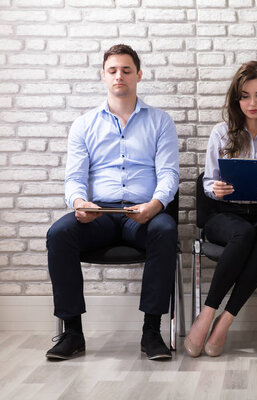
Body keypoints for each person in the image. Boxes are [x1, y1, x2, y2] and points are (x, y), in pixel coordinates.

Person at [45, 44, 179, 361]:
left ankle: (151, 332)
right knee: (58, 234)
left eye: (126, 70)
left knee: (166, 230)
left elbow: (170, 174)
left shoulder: (161, 122)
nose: (119, 76)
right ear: (103, 76)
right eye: (113, 70)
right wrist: (79, 202)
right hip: (98, 215)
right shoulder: (84, 125)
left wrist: (156, 205)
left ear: (139, 75)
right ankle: (73, 333)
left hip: (141, 213)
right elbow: (74, 178)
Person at [184, 61, 257, 358]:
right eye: (245, 96)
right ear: (236, 99)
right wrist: (215, 189)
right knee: (244, 234)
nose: (252, 103)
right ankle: (208, 313)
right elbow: (209, 181)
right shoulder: (221, 133)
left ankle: (225, 320)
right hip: (226, 214)